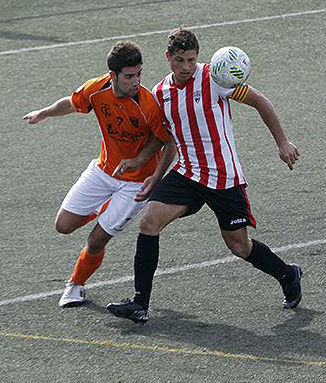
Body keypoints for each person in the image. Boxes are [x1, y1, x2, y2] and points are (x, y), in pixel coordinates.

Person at [107, 28, 302, 324]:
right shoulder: (161, 93)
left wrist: (282, 143)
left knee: (239, 246)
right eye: (180, 60)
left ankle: (288, 273)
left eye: (191, 60)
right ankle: (140, 303)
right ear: (168, 58)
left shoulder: (216, 78)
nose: (186, 67)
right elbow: (164, 138)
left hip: (224, 177)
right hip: (187, 173)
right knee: (149, 221)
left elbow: (260, 101)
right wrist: (150, 169)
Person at [23, 41, 176, 308]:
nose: (136, 81)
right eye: (129, 76)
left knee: (96, 239)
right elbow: (71, 104)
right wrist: (44, 113)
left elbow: (165, 139)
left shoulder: (147, 103)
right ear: (112, 75)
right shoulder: (97, 89)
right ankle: (106, 206)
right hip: (103, 171)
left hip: (136, 184)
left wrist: (142, 161)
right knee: (63, 225)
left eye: (139, 74)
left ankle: (75, 286)